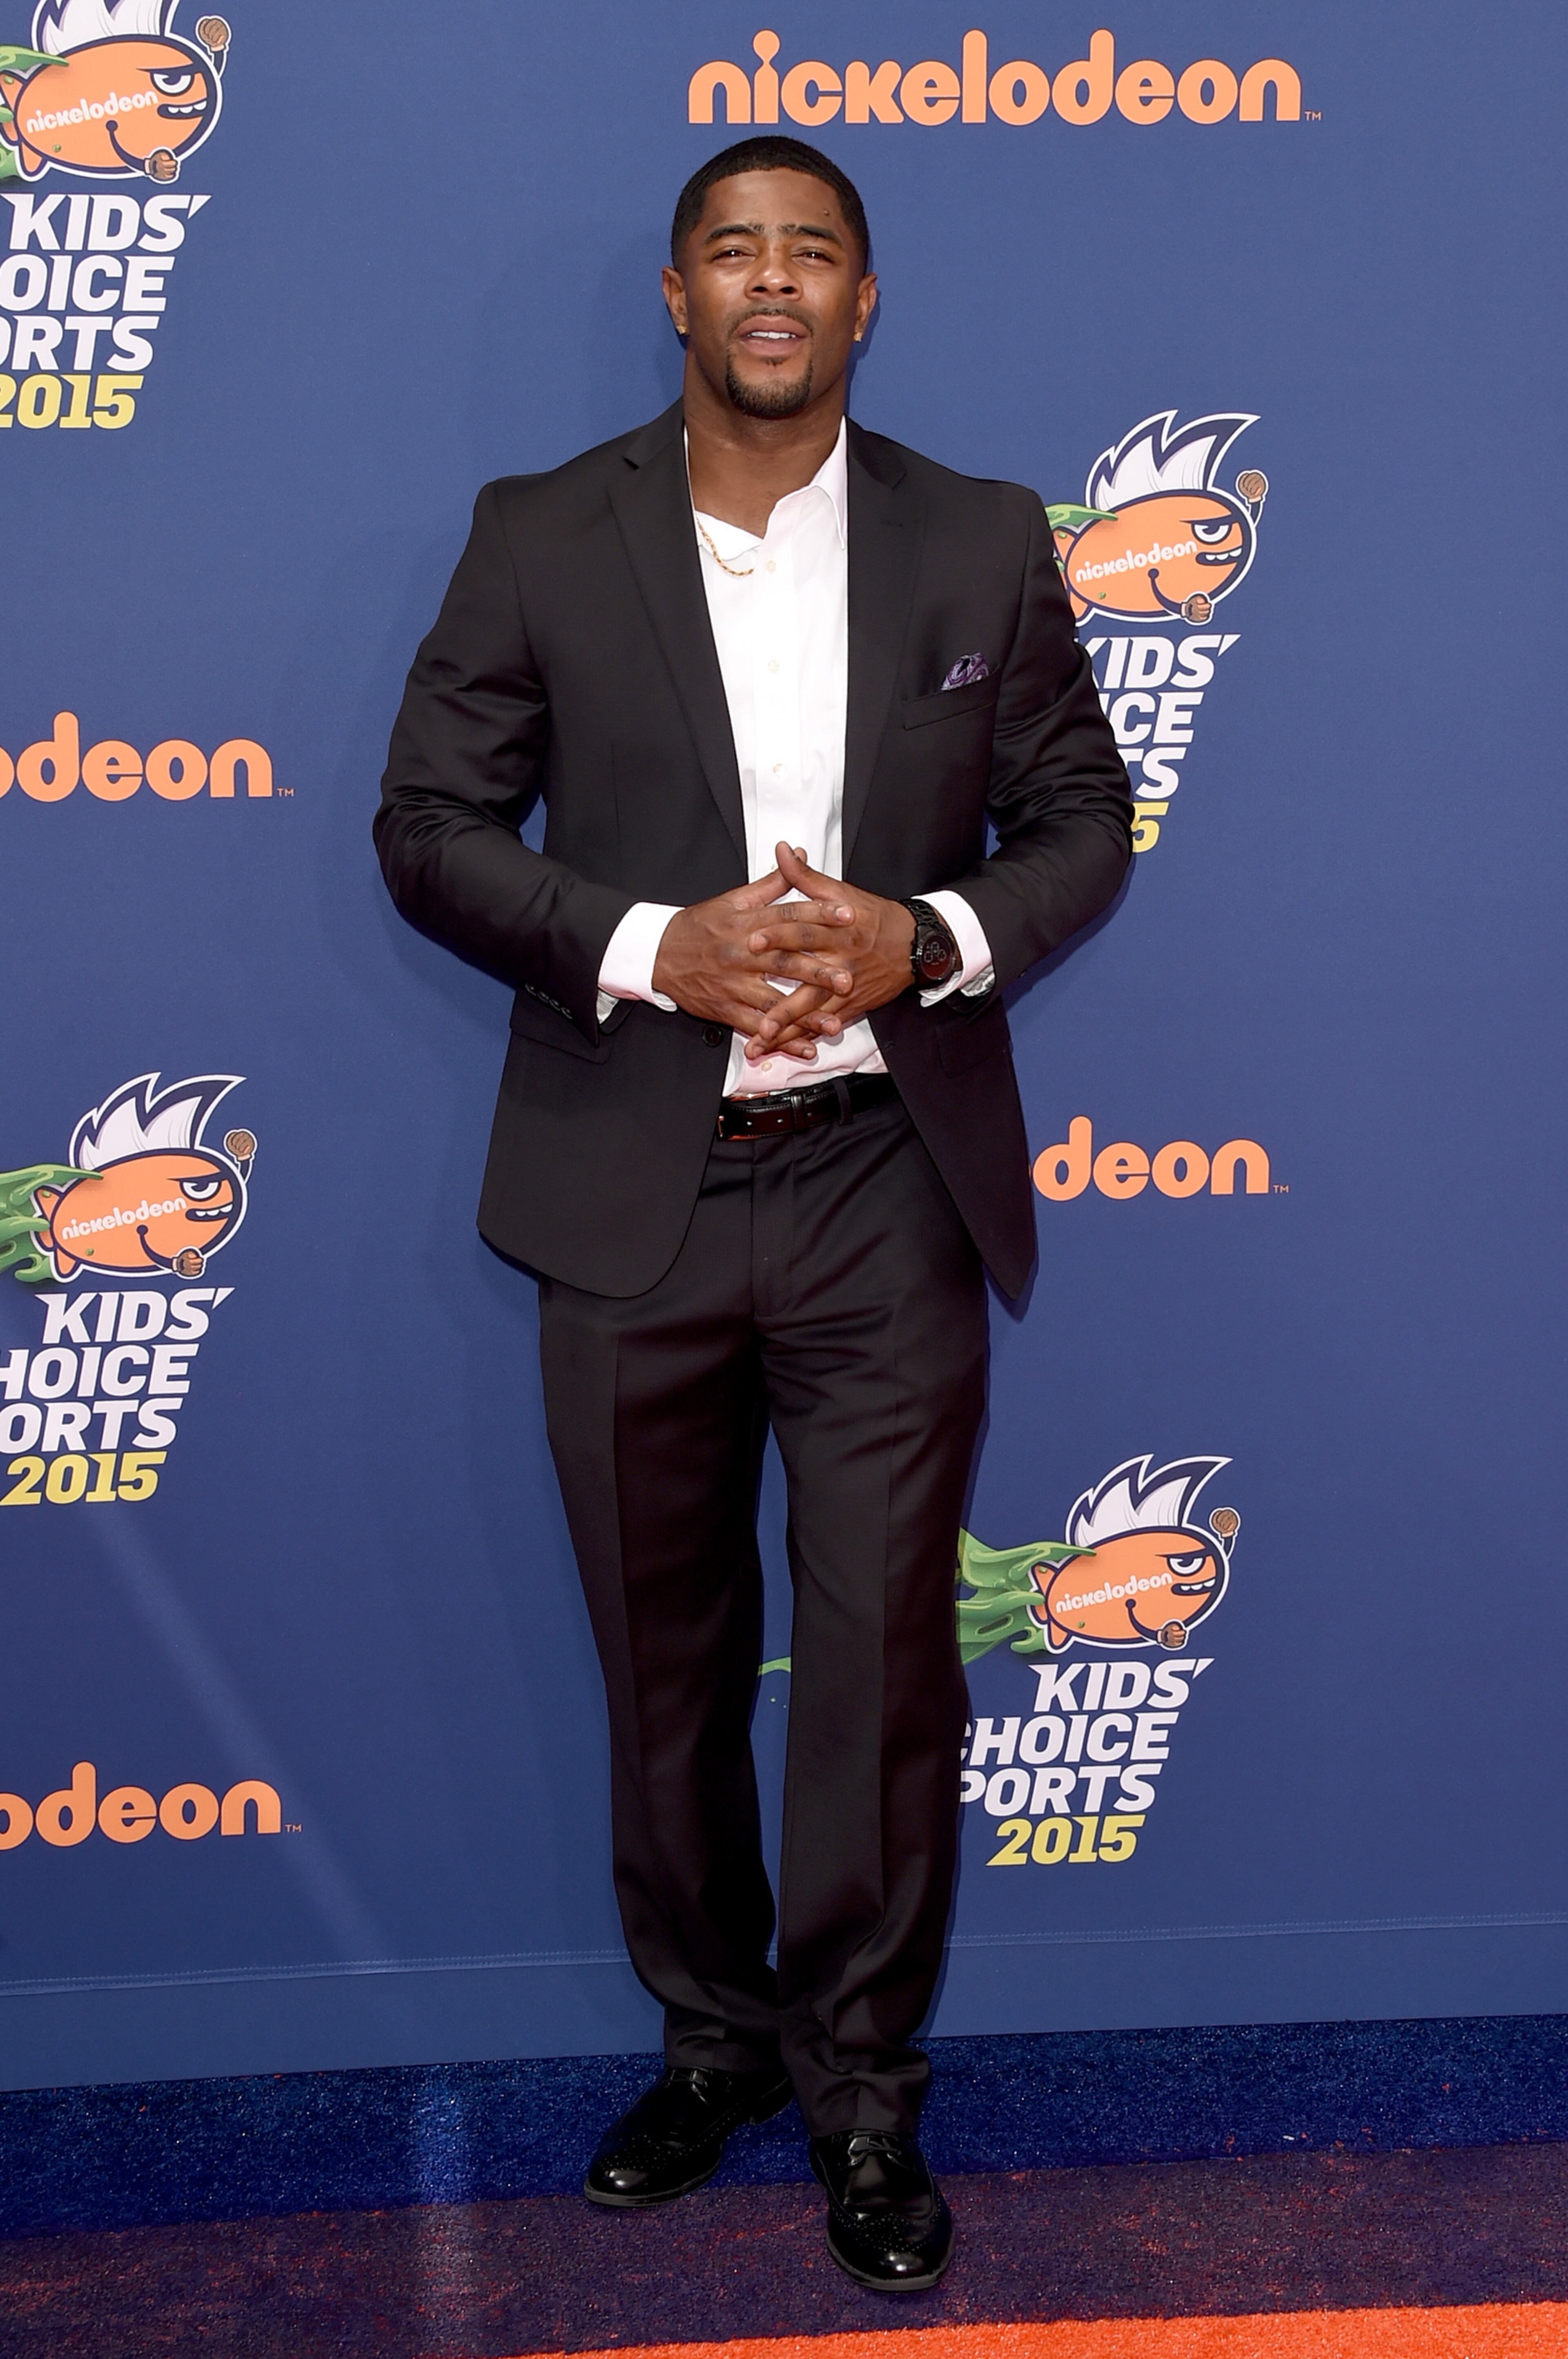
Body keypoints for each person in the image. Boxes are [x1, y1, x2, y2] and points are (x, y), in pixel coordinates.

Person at [376, 134, 1131, 2292]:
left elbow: (1084, 818)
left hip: (888, 1187)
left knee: (891, 1672)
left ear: (867, 304)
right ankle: (715, 2043)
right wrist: (645, 945)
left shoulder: (981, 540)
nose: (775, 281)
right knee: (668, 1666)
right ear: (681, 300)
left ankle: (867, 2101)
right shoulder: (540, 533)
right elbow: (425, 825)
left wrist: (933, 938)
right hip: (637, 1192)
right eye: (736, 249)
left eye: (816, 251)